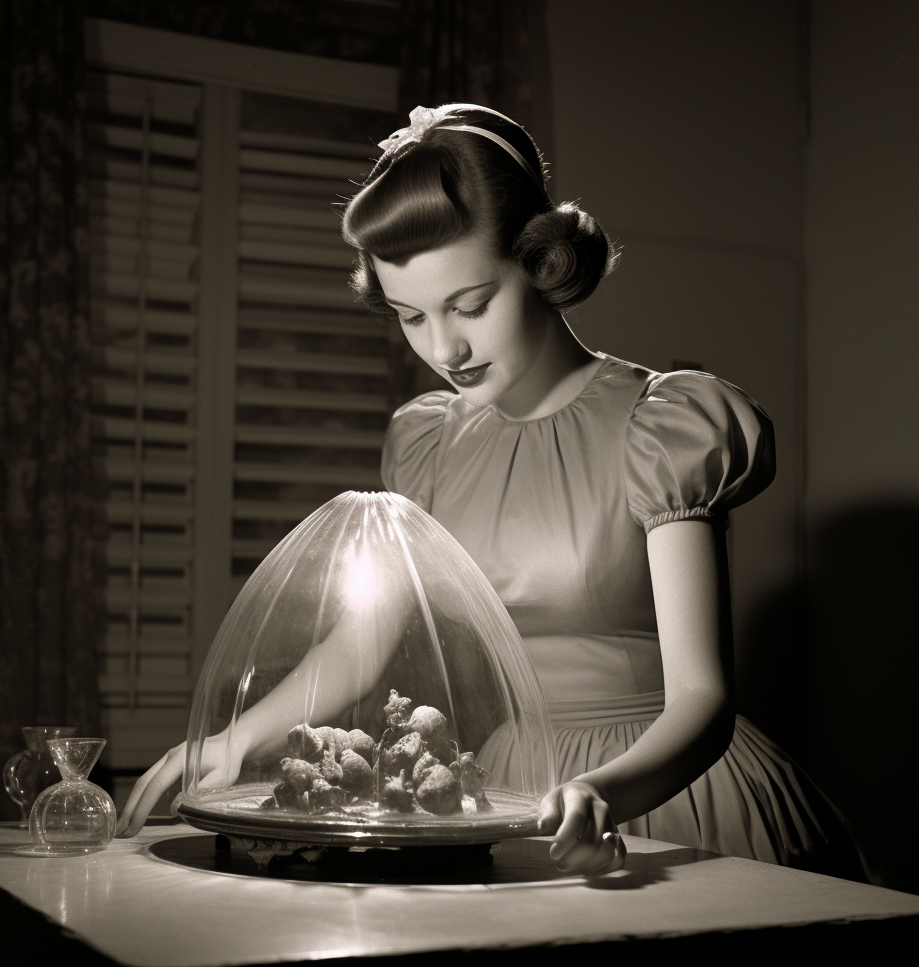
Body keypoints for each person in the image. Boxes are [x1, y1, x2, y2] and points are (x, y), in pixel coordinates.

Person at [118, 104, 877, 884]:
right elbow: (359, 642)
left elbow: (702, 698)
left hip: (660, 784)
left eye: (470, 305)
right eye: (411, 317)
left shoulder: (661, 426)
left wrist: (602, 793)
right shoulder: (428, 442)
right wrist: (232, 741)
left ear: (541, 263)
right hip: (515, 781)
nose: (444, 348)